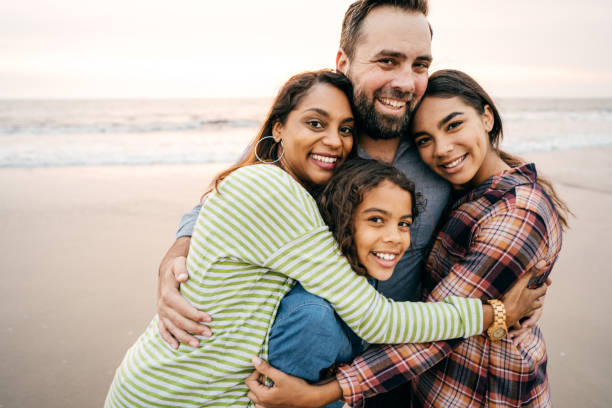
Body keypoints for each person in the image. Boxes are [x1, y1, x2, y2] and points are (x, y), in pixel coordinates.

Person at [105, 70, 539, 408]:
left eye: (346, 129)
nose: (334, 140)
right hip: (173, 393)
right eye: (316, 123)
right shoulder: (272, 191)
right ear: (279, 128)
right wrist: (495, 315)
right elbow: (378, 320)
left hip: (215, 389)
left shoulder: (300, 188)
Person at [246, 70, 569, 408]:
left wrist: (325, 393)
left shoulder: (518, 210)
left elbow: (438, 328)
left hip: (481, 390)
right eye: (424, 140)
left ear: (486, 117)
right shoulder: (465, 188)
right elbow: (243, 185)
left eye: (454, 125)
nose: (442, 149)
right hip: (426, 382)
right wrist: (185, 247)